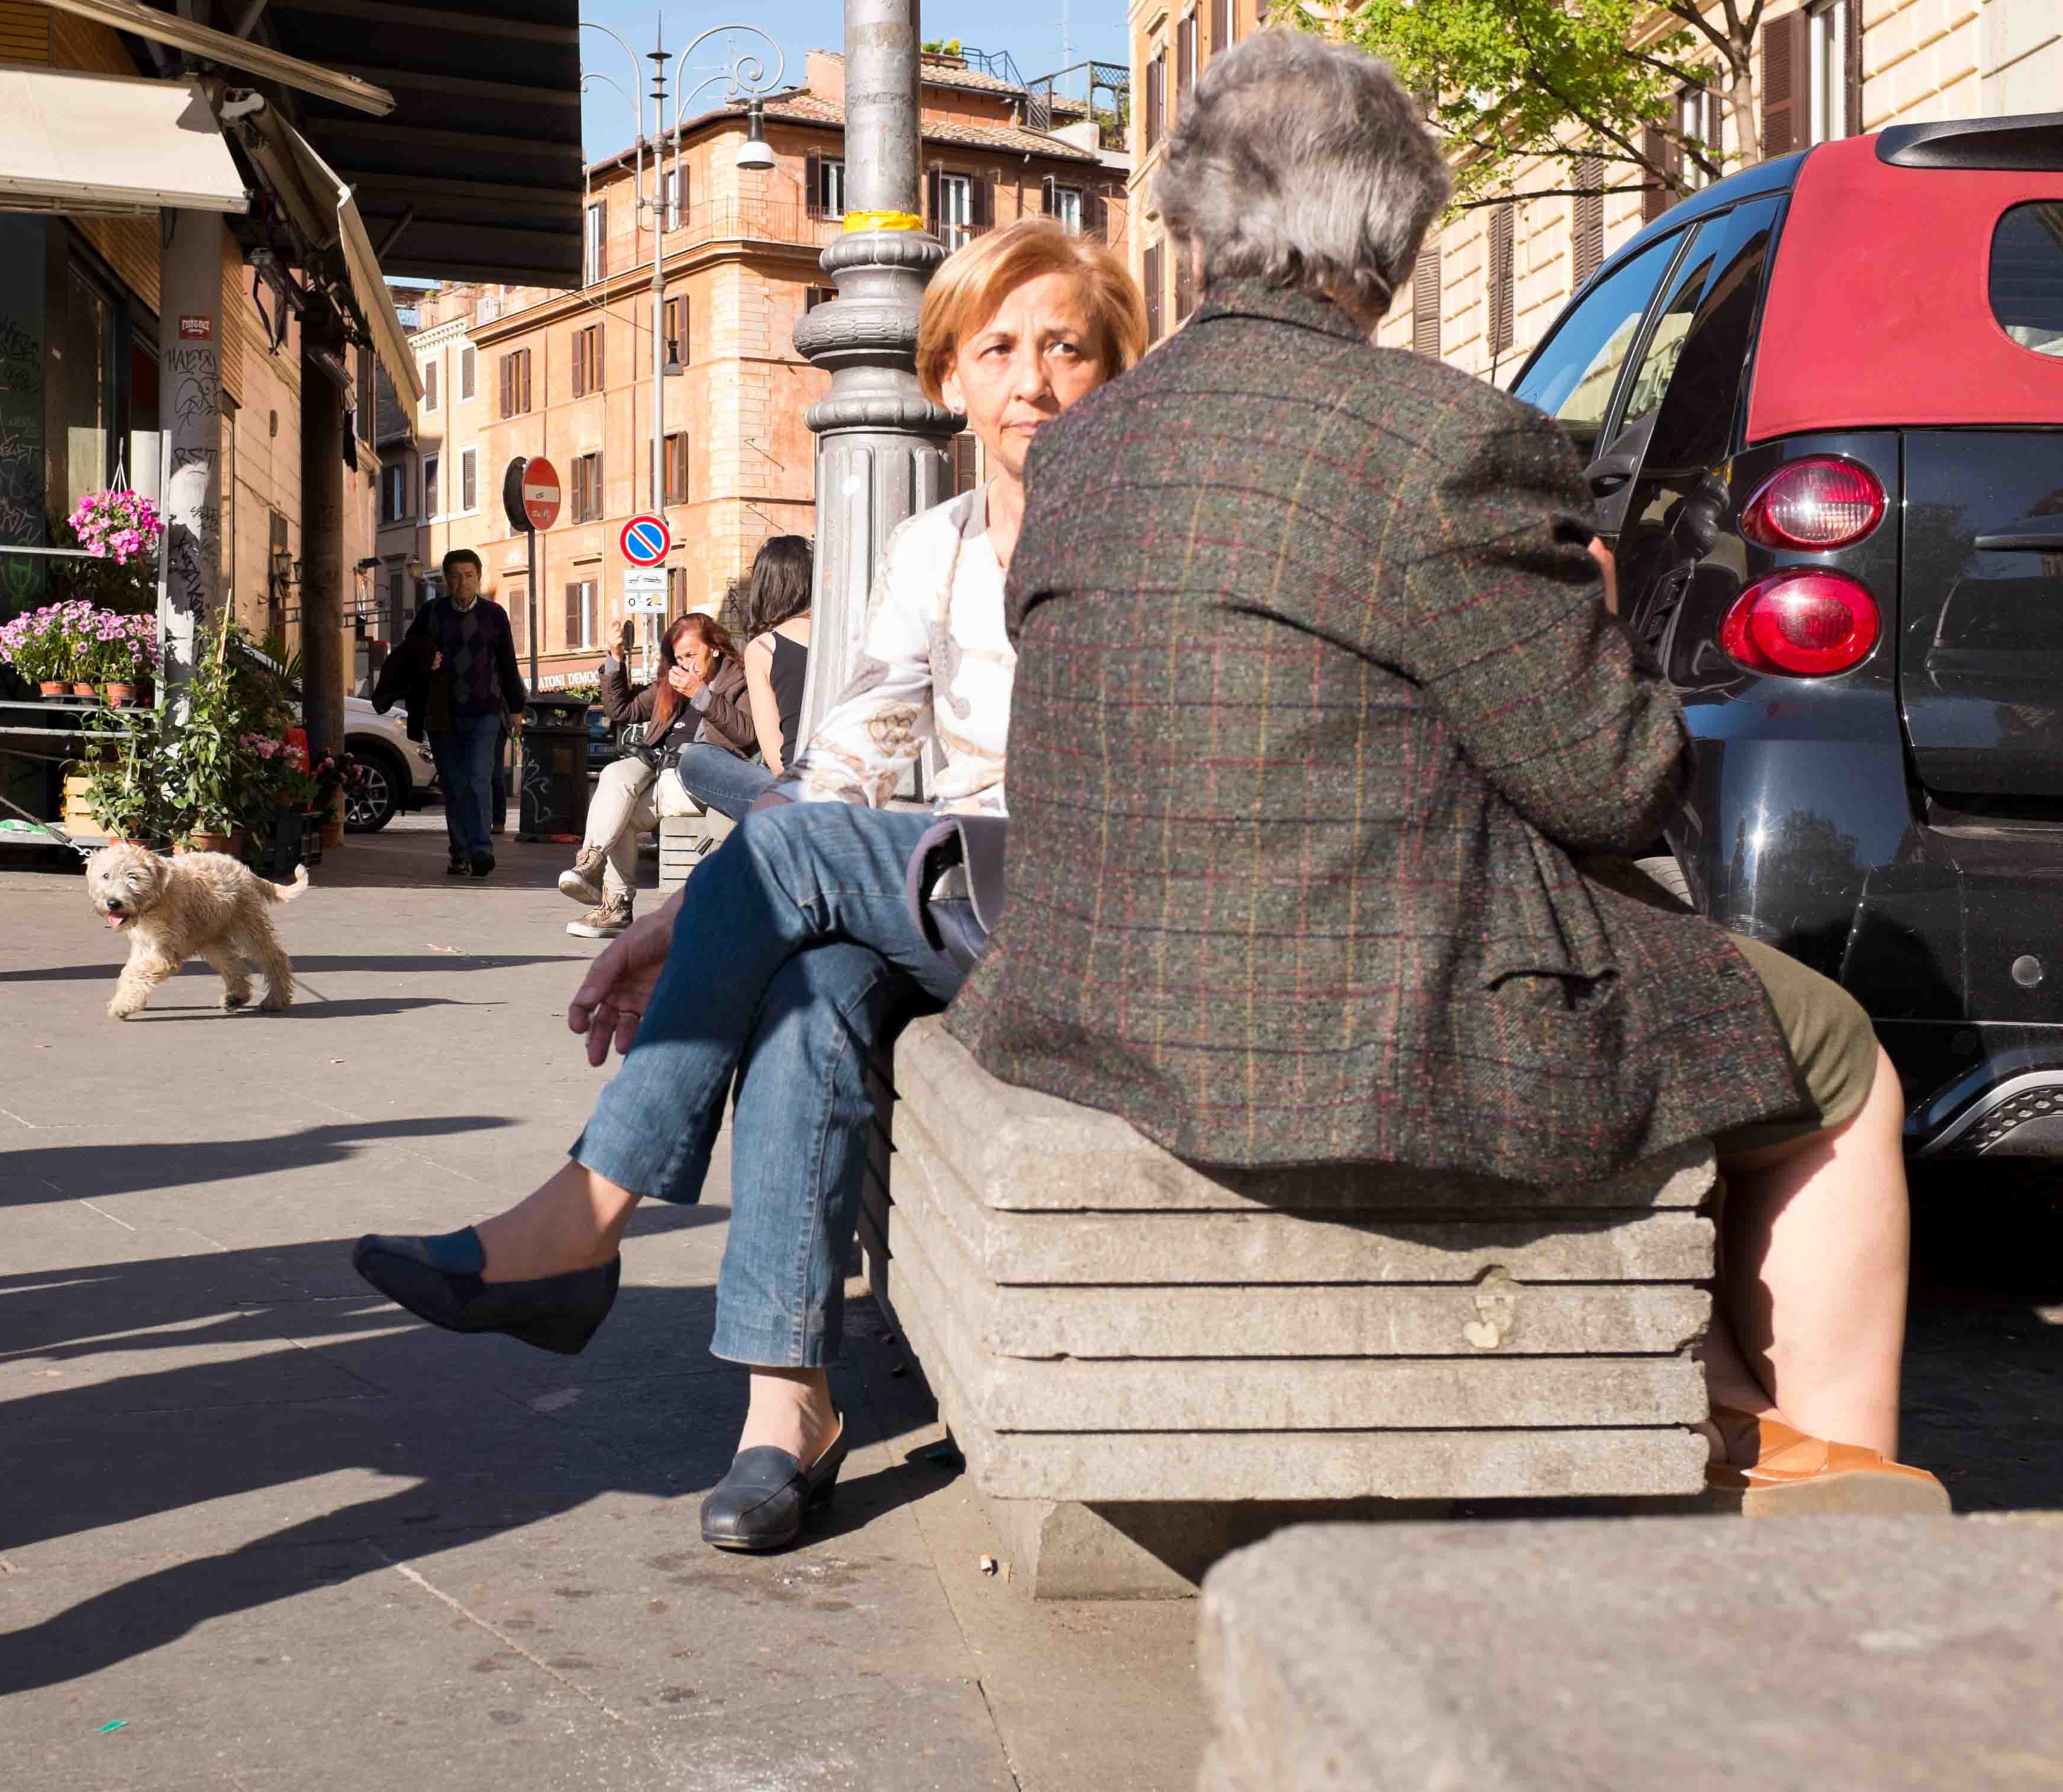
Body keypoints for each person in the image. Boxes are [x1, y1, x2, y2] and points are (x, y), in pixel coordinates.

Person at [955, 30, 1940, 1511]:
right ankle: (1826, 1485)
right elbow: (1604, 787)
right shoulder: (1442, 439)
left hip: (1088, 996)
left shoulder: (1088, 452)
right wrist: (1595, 618)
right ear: (1389, 235)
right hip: (1343, 1033)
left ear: (1198, 224)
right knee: (1834, 1055)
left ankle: (1733, 1404)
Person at [355, 218, 1147, 1552]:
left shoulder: (1150, 536)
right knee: (808, 987)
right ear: (950, 377)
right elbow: (847, 756)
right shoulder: (928, 547)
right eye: (998, 349)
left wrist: (668, 922)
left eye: (1065, 347)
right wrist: (713, 920)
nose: (1032, 381)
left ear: (1114, 372)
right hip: (954, 905)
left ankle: (583, 1217)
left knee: (785, 892)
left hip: (1084, 917)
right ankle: (785, 1408)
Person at [556, 613, 754, 938]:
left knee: (623, 809)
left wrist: (702, 694)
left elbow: (746, 734)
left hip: (706, 776)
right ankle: (590, 866)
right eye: (679, 658)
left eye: (692, 655)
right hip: (661, 772)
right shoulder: (671, 684)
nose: (686, 665)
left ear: (715, 649)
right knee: (617, 777)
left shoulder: (740, 680)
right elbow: (622, 711)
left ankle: (614, 901)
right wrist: (616, 658)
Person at [372, 550, 524, 878]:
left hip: (485, 711)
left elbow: (509, 664)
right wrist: (425, 661)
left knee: (479, 779)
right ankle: (460, 853)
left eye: (469, 575)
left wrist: (517, 709)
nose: (463, 583)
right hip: (442, 712)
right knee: (454, 785)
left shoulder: (494, 615)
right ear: (446, 580)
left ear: (478, 578)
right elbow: (408, 653)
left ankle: (482, 850)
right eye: (455, 576)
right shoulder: (431, 613)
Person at [679, 535, 813, 821]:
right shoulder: (850, 634)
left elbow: (777, 758)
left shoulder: (764, 648)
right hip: (850, 777)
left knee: (695, 759)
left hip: (800, 787)